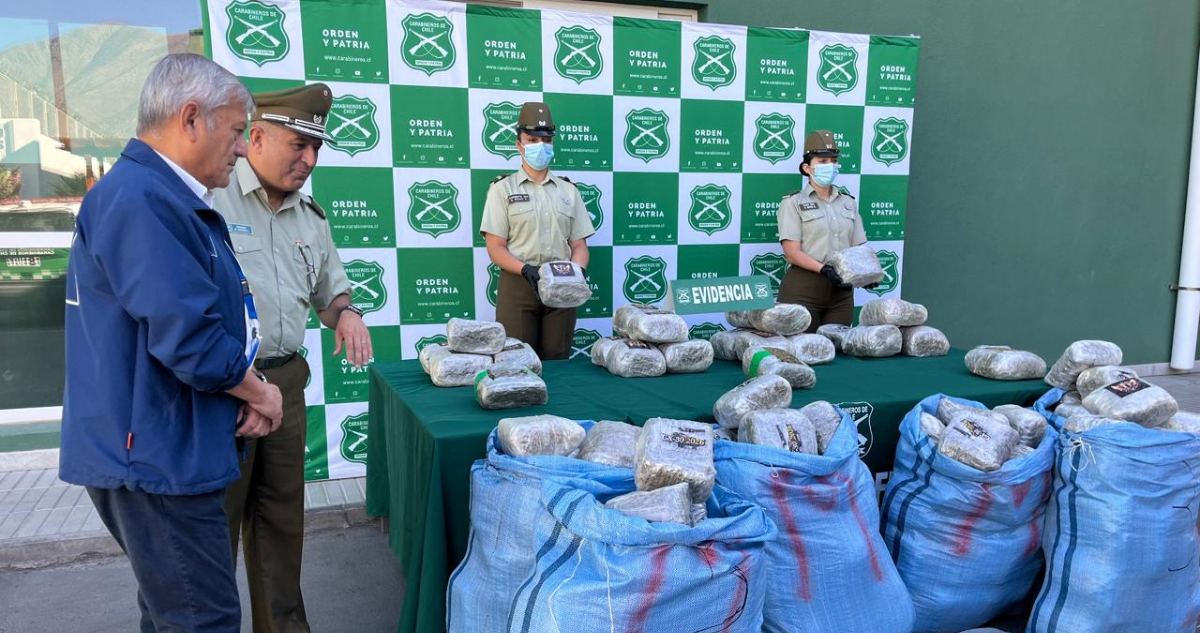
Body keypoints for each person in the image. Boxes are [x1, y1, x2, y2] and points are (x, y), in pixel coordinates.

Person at [60, 53, 283, 632]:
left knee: (171, 615)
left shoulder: (158, 196)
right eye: (237, 131)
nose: (242, 148)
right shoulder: (142, 199)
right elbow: (190, 338)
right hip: (157, 457)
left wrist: (239, 390)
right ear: (191, 119)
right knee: (200, 619)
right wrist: (259, 392)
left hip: (165, 446)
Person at [211, 83, 368, 633]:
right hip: (220, 393)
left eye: (316, 148)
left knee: (280, 526)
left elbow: (331, 294)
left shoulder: (311, 217)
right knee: (214, 529)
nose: (309, 159)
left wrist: (347, 313)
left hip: (285, 387)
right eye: (297, 144)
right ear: (255, 136)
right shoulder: (211, 199)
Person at [479, 101, 595, 359]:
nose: (539, 146)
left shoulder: (569, 191)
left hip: (562, 285)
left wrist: (576, 273)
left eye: (545, 140)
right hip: (520, 283)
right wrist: (525, 270)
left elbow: (579, 246)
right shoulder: (503, 189)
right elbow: (495, 247)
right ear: (519, 144)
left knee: (558, 360)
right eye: (531, 139)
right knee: (517, 361)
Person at [777, 130, 870, 331]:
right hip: (804, 291)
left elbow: (859, 248)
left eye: (833, 160)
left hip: (841, 294)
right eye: (823, 161)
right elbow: (792, 253)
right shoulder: (793, 203)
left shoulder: (849, 203)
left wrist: (867, 274)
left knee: (836, 353)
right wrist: (824, 269)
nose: (830, 165)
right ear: (807, 168)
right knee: (804, 352)